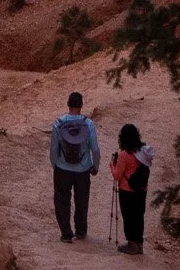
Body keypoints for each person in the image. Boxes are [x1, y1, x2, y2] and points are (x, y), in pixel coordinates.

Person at [50, 91, 100, 241]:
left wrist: (55, 165)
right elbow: (95, 149)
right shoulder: (88, 123)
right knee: (82, 201)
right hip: (83, 169)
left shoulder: (58, 123)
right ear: (81, 105)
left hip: (62, 168)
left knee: (62, 201)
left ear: (68, 104)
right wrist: (95, 166)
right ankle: (81, 231)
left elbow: (54, 148)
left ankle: (66, 234)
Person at [111, 121, 154, 254]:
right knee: (139, 217)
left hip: (127, 191)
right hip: (141, 190)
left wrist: (112, 164)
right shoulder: (143, 151)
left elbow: (117, 176)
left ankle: (131, 245)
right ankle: (139, 244)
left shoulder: (124, 155)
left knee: (128, 218)